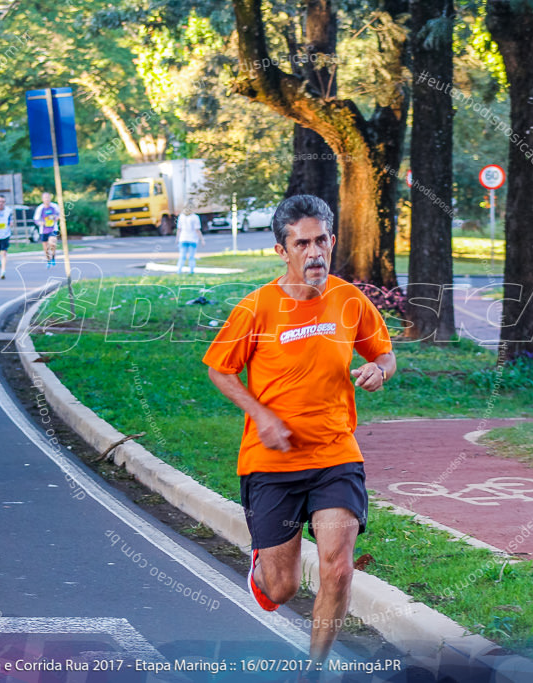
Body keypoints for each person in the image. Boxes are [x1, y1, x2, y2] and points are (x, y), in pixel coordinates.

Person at [202, 194, 396, 664]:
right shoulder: (257, 308)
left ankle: (316, 670)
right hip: (271, 461)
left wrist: (381, 370)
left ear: (333, 240)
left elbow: (383, 353)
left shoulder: (349, 300)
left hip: (335, 455)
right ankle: (263, 571)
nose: (315, 252)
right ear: (281, 250)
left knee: (338, 568)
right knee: (281, 588)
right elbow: (219, 369)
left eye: (322, 240)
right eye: (302, 243)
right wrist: (261, 414)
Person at [33, 192, 61, 267]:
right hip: (43, 230)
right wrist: (40, 222)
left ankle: (53, 257)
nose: (47, 199)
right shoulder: (40, 208)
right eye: (45, 198)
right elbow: (35, 219)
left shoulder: (54, 206)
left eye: (48, 197)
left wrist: (58, 218)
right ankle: (48, 260)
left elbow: (60, 214)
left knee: (52, 242)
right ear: (42, 199)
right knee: (46, 248)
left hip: (53, 228)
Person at [175, 205, 205, 275]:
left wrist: (177, 239)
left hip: (183, 238)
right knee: (191, 257)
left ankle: (179, 271)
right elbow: (197, 230)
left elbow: (179, 229)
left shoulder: (181, 216)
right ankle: (191, 271)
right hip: (193, 239)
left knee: (182, 256)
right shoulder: (195, 217)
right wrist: (202, 239)